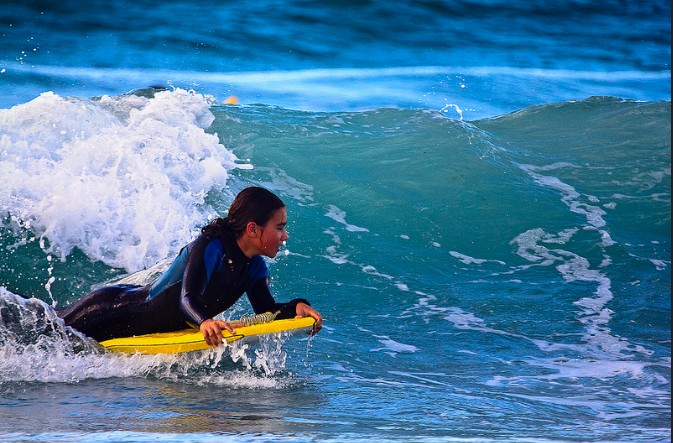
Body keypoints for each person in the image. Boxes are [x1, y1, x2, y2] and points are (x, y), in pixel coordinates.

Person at [59, 186, 322, 345]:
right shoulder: (211, 246)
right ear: (253, 229)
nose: (285, 236)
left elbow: (265, 310)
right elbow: (188, 298)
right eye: (279, 228)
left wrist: (295, 307)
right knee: (50, 332)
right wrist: (204, 321)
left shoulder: (255, 267)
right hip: (110, 310)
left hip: (137, 328)